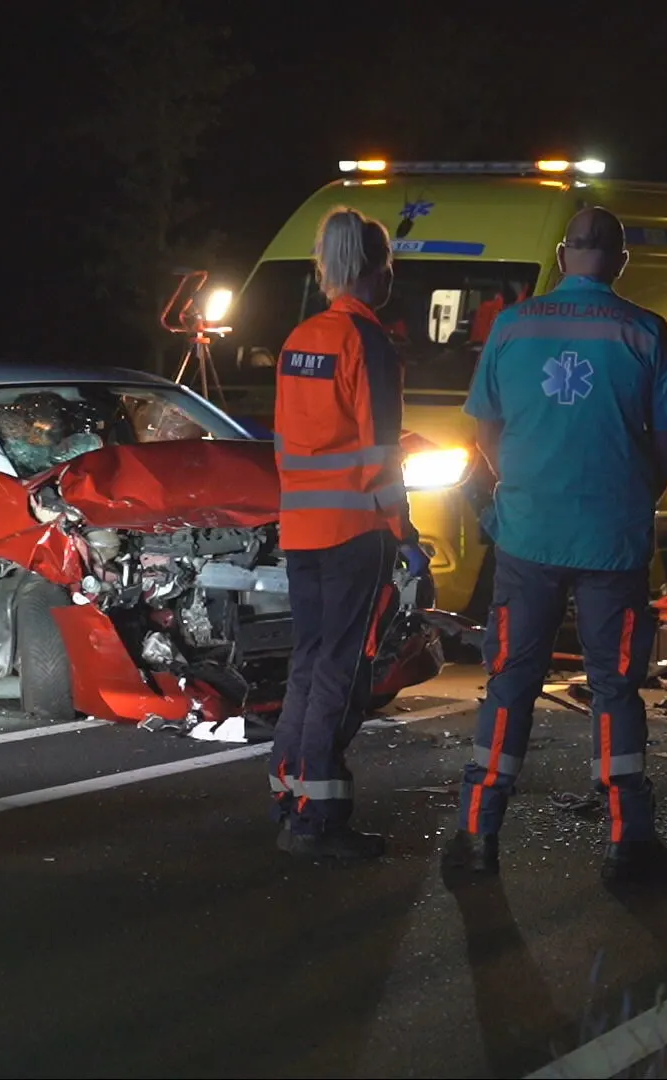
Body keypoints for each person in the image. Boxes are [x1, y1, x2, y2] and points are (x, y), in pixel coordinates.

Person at [444, 206, 667, 885]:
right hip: (613, 543)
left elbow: (485, 432)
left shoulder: (513, 326)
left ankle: (476, 835)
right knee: (615, 690)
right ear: (619, 261)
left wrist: (523, 486)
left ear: (560, 256)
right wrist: (632, 493)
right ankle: (627, 844)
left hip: (526, 539)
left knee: (511, 682)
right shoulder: (645, 331)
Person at [267, 206, 429, 862]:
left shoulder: (300, 337)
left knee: (309, 662)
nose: (391, 276)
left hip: (301, 527)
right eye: (387, 264)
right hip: (356, 529)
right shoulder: (368, 341)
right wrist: (406, 532)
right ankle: (320, 818)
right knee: (341, 667)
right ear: (371, 269)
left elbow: (289, 441)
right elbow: (378, 451)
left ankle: (289, 790)